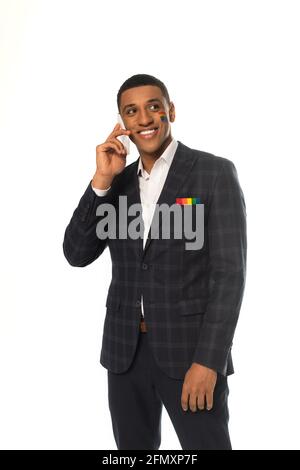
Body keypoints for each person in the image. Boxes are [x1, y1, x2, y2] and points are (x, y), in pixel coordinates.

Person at [63, 74, 247, 450]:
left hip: (190, 354)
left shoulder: (213, 173)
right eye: (132, 111)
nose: (144, 118)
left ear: (170, 111)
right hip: (124, 353)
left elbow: (229, 276)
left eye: (153, 106)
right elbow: (77, 253)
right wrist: (101, 180)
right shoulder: (118, 182)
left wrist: (209, 361)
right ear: (123, 123)